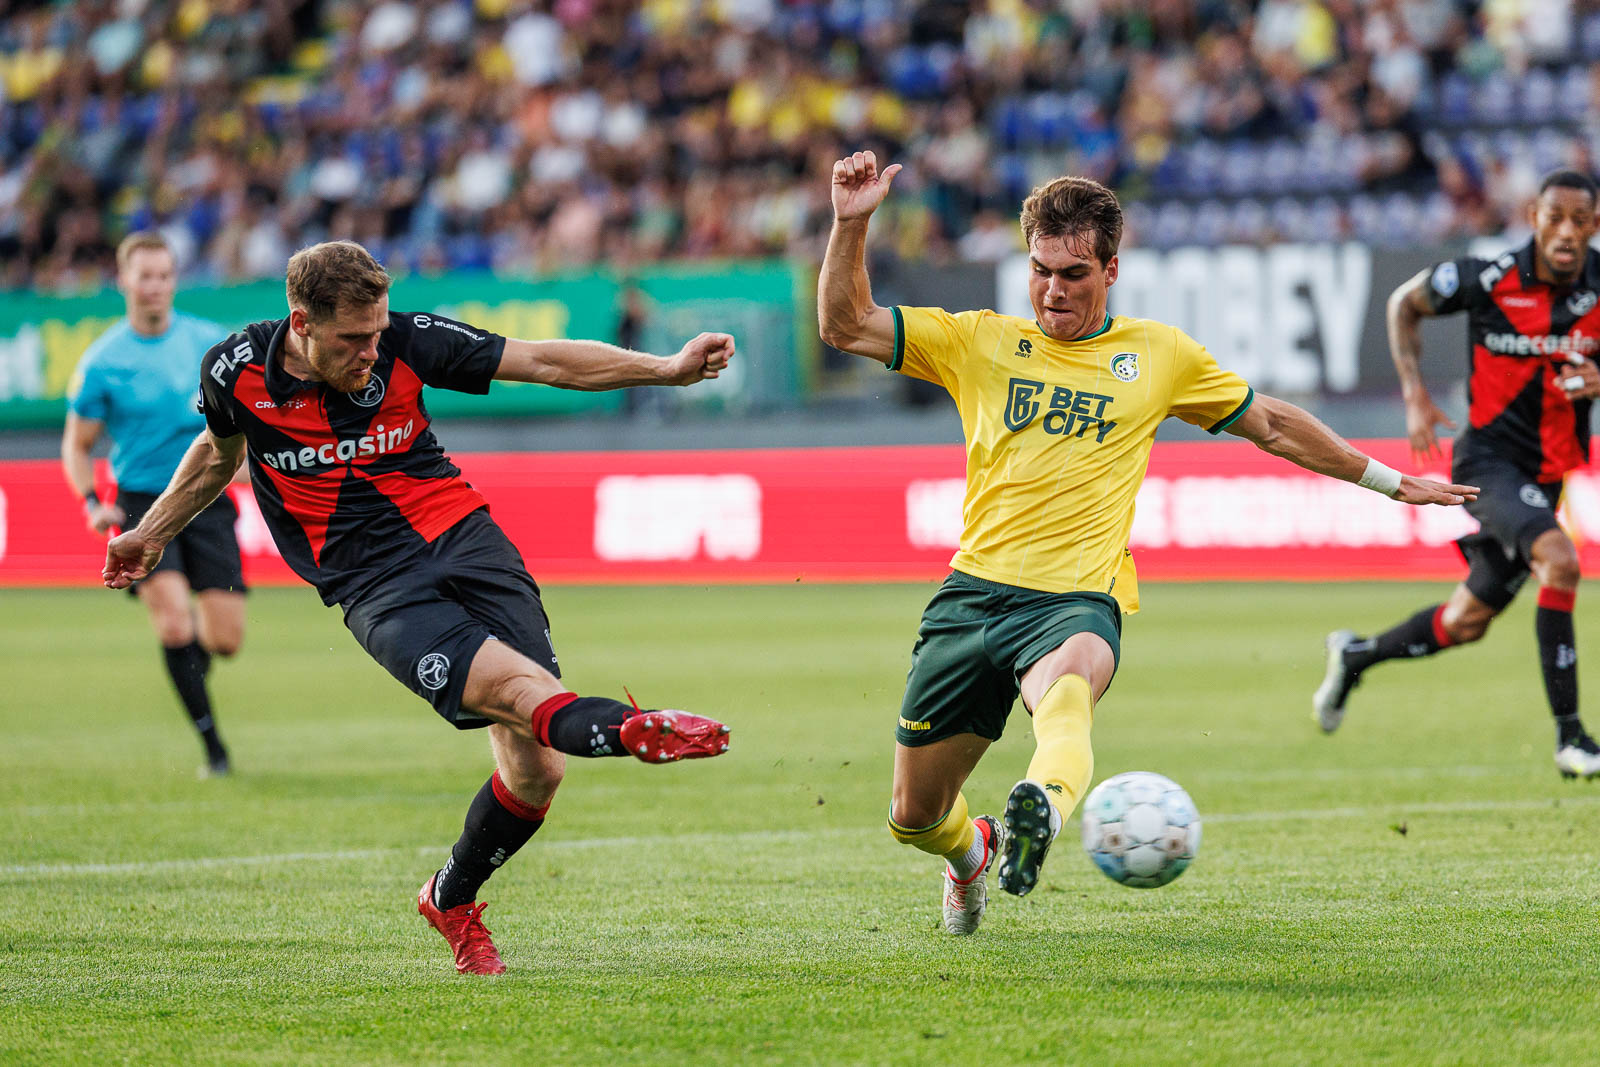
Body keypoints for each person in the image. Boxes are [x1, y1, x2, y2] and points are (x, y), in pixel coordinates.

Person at [817, 150, 1477, 936]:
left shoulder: (1158, 356)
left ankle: (1044, 812)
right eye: (1041, 271)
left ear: (1112, 269)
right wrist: (849, 226)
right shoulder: (978, 341)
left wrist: (1391, 482)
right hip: (969, 597)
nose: (1053, 290)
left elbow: (1271, 423)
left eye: (1073, 273)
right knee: (913, 815)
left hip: (1075, 599)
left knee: (1064, 698)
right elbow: (844, 323)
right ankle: (974, 853)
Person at [102, 240, 734, 975]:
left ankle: (449, 895)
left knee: (538, 771)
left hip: (466, 540)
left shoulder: (403, 338)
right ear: (300, 321)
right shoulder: (235, 370)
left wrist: (665, 368)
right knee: (521, 694)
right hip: (374, 585)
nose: (373, 349)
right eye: (353, 338)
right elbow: (218, 454)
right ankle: (629, 729)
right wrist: (149, 533)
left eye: (378, 331)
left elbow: (543, 362)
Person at [1313, 170, 1600, 780]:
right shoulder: (1485, 278)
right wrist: (1414, 395)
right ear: (1533, 216)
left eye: (1581, 220)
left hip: (1546, 474)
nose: (1567, 232)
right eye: (1556, 217)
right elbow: (1403, 305)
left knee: (1466, 622)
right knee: (1561, 560)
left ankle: (1357, 655)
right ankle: (1572, 739)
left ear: (1595, 226)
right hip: (1487, 463)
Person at [63, 231, 244, 777]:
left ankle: (190, 678)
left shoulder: (209, 345)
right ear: (124, 280)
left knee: (225, 639)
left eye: (164, 275)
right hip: (143, 503)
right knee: (173, 625)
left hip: (208, 498)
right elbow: (77, 443)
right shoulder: (103, 361)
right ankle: (214, 748)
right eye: (145, 276)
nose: (155, 287)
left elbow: (243, 422)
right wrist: (93, 500)